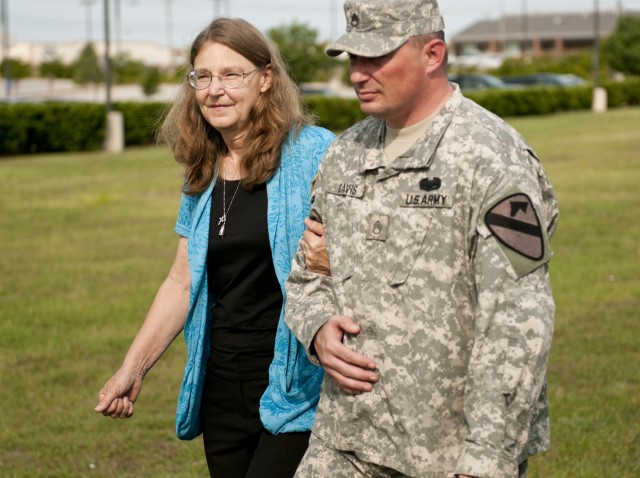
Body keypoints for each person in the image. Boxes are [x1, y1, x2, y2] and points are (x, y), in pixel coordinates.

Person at [284, 1, 559, 477]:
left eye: (377, 57)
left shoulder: (493, 159)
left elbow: (518, 321)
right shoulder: (345, 154)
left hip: (446, 451)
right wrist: (317, 327)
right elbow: (310, 272)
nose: (357, 74)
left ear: (433, 54)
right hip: (347, 438)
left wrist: (486, 459)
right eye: (353, 59)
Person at [94, 17, 335, 478]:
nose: (214, 89)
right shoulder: (202, 170)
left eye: (231, 74)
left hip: (297, 389)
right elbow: (181, 280)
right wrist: (134, 368)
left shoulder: (314, 152)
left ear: (266, 78)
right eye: (202, 76)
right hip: (221, 388)